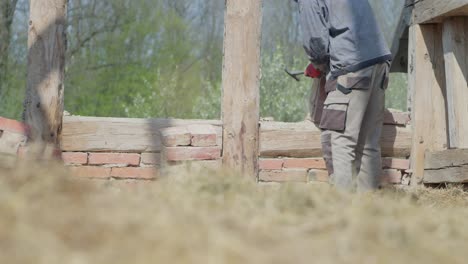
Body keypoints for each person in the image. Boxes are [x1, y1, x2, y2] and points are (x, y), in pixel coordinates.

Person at [296, 0, 392, 192]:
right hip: (379, 62)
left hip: (352, 67)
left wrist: (320, 67)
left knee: (341, 141)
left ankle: (343, 211)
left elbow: (316, 44)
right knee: (368, 143)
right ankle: (368, 211)